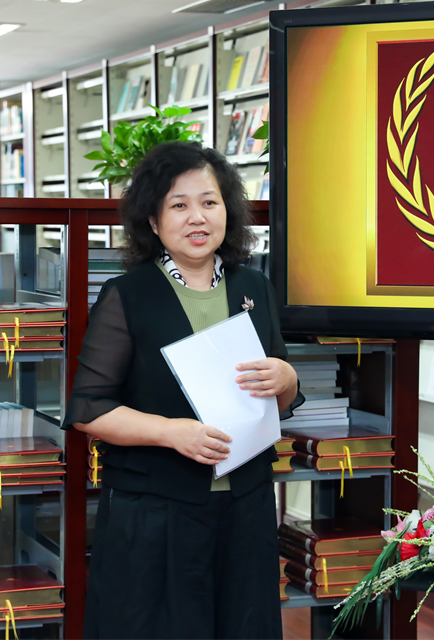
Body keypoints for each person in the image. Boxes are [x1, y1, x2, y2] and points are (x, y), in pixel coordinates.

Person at [62, 141, 300, 639]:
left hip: (245, 505)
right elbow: (89, 408)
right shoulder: (128, 295)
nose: (197, 217)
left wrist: (287, 378)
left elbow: (279, 395)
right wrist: (172, 433)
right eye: (179, 205)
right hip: (155, 510)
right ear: (153, 221)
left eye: (209, 202)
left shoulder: (254, 288)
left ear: (227, 211)